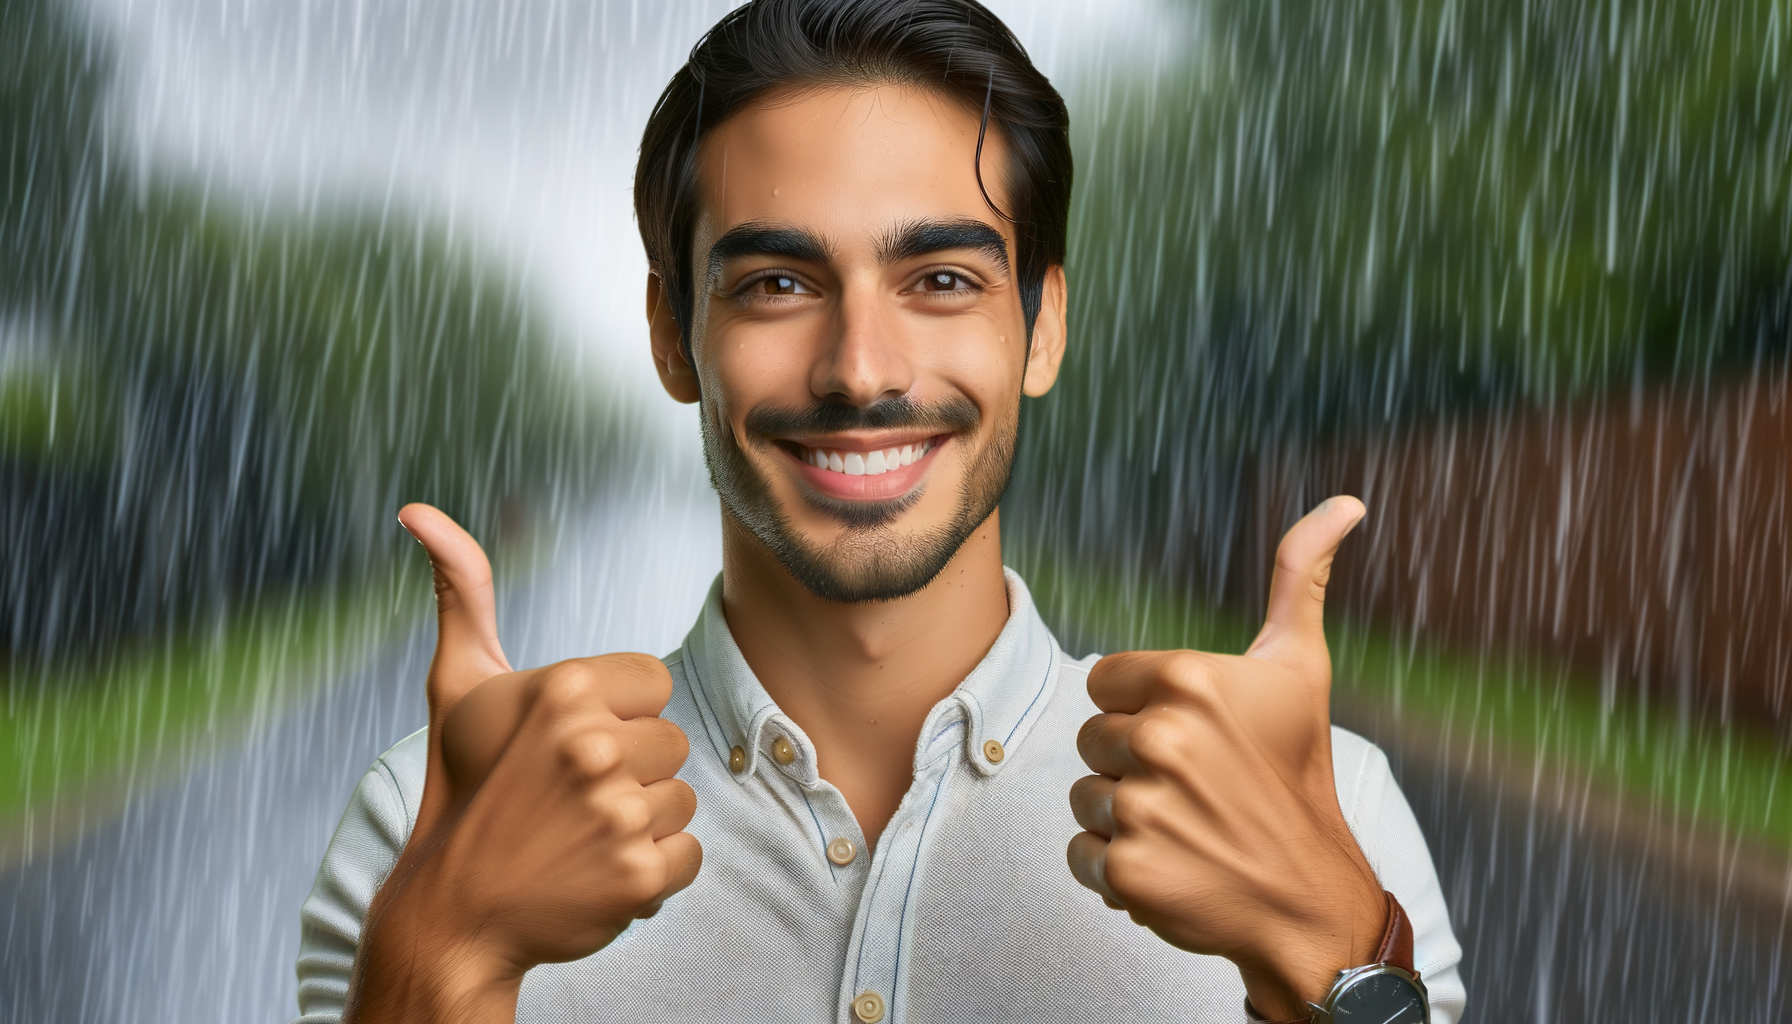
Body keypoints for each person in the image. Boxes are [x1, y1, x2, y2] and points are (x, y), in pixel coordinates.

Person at [294, 2, 1466, 1021]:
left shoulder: (1325, 809)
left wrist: (1334, 959)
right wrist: (440, 957)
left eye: (941, 279)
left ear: (1043, 327)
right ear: (672, 336)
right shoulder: (434, 826)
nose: (860, 369)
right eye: (777, 284)